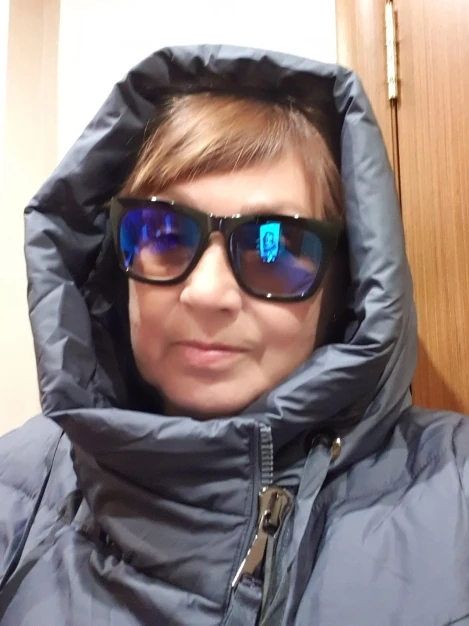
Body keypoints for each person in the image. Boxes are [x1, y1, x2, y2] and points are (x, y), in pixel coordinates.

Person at [0, 45, 468, 626]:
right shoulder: (17, 486)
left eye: (275, 245)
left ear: (341, 286)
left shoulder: (455, 489)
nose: (207, 293)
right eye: (163, 233)